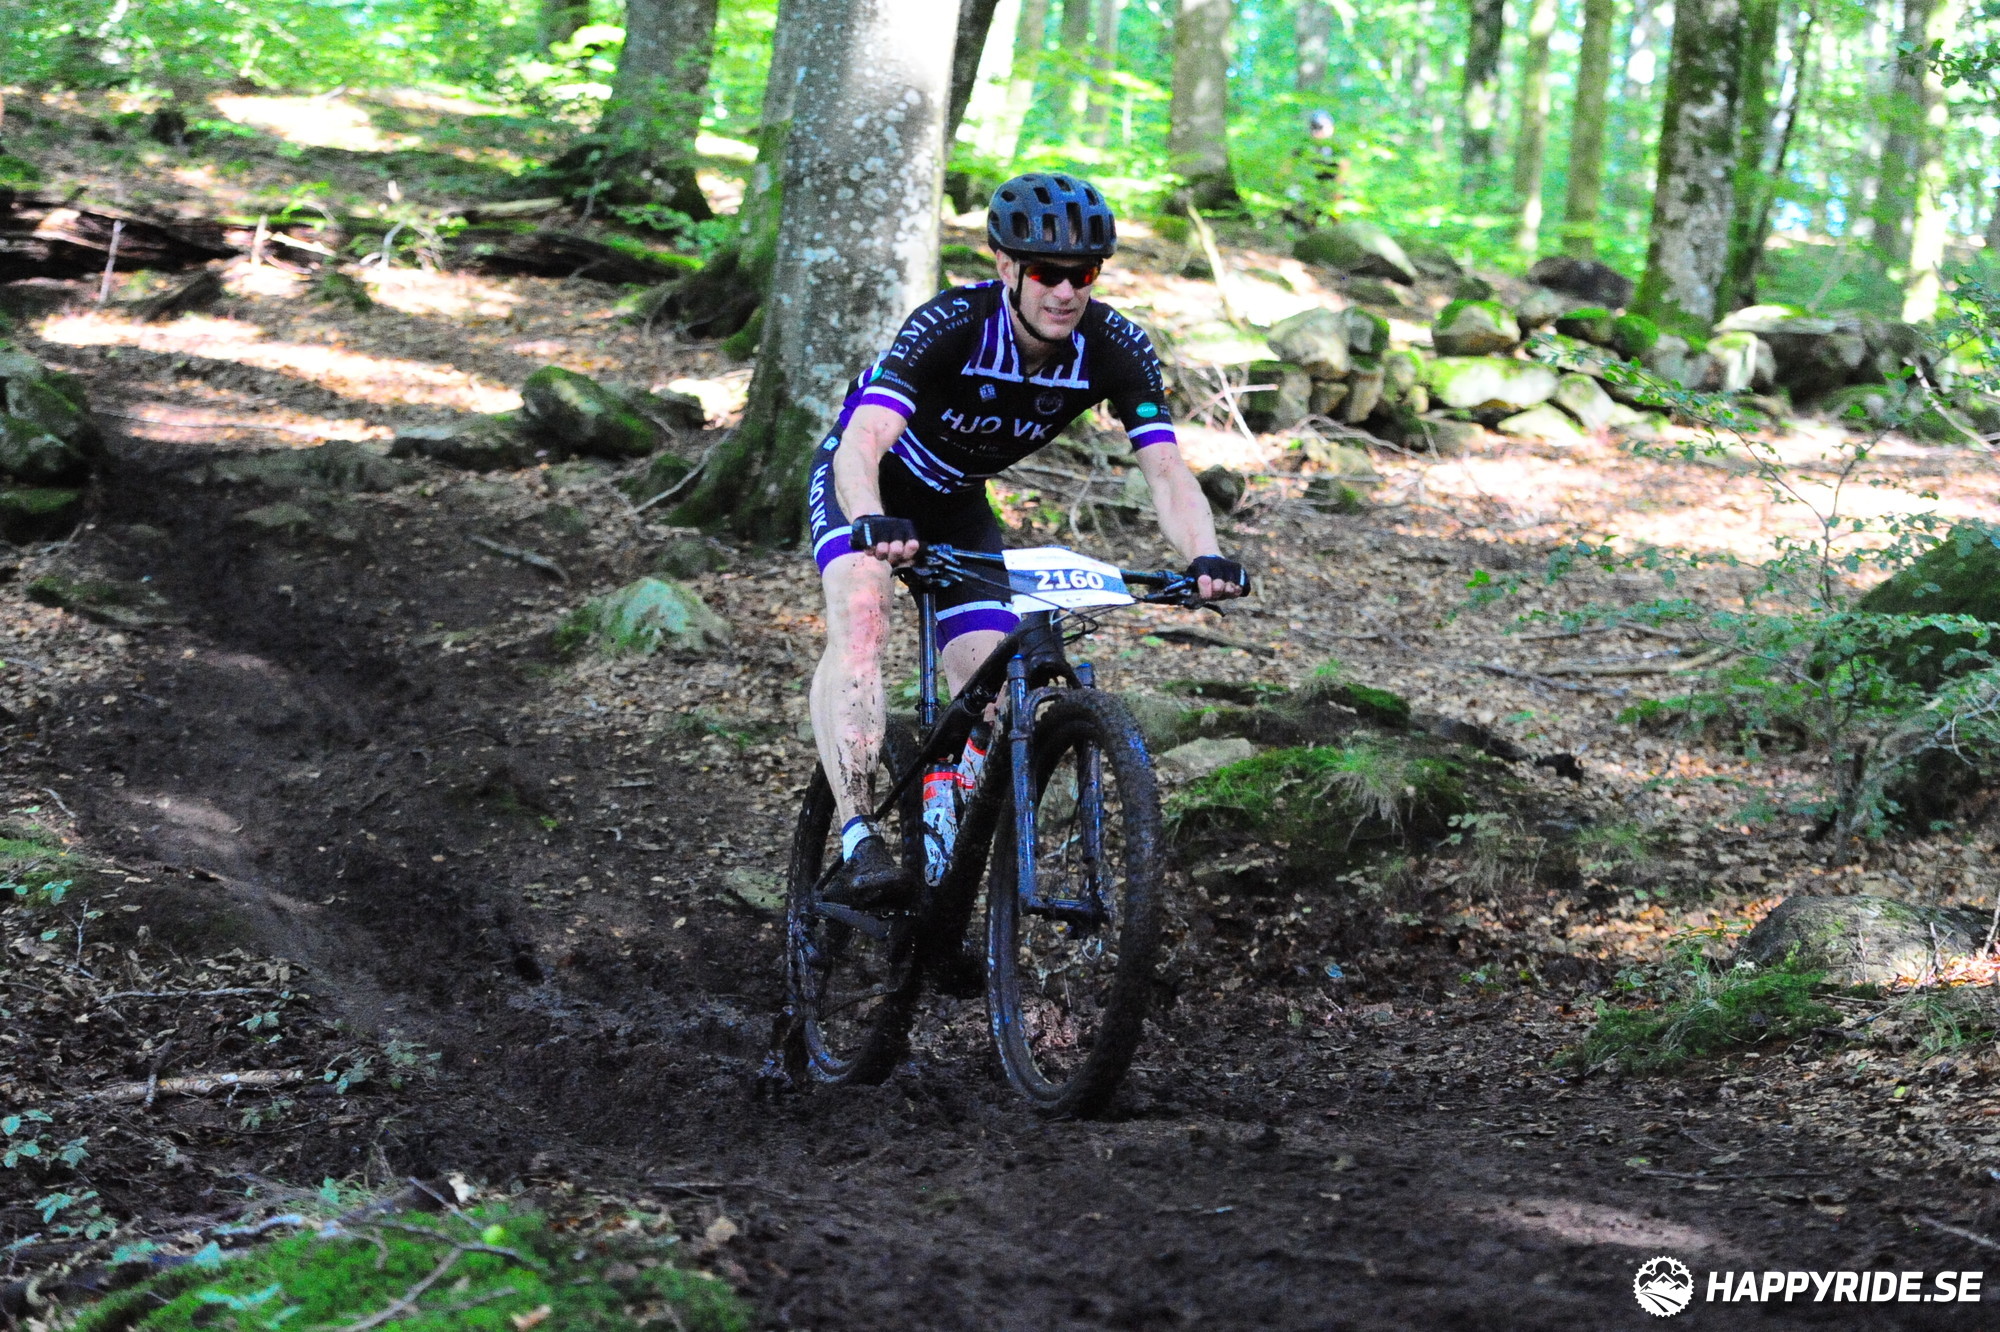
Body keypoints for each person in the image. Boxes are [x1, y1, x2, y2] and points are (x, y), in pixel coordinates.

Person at [806, 171, 1249, 906]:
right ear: (1007, 265)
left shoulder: (1114, 346)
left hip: (957, 506)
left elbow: (1167, 469)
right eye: (1047, 273)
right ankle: (858, 838)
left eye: (1085, 275)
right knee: (862, 612)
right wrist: (871, 519)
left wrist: (1202, 556)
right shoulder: (952, 324)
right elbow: (864, 440)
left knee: (992, 689)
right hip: (869, 486)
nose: (1066, 292)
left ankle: (945, 854)